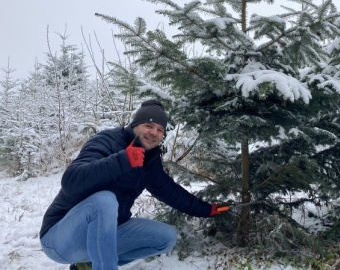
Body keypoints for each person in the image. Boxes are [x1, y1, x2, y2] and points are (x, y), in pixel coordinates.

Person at [39, 99, 226, 270]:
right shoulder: (107, 141)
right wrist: (123, 160)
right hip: (59, 238)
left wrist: (207, 209)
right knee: (104, 200)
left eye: (160, 130)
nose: (154, 133)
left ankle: (86, 264)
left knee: (165, 237)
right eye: (149, 126)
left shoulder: (149, 159)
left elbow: (170, 192)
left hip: (103, 235)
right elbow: (71, 181)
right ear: (135, 125)